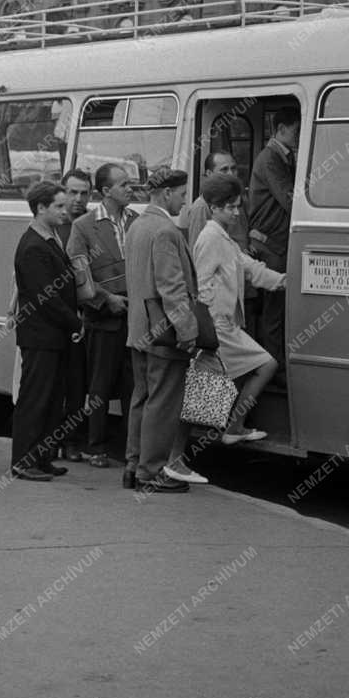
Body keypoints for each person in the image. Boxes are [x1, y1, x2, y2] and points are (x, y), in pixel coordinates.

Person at [124, 166, 205, 493]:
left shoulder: (137, 226)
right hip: (163, 333)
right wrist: (188, 330)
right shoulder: (166, 232)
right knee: (163, 403)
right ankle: (152, 471)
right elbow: (171, 288)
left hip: (139, 329)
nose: (184, 203)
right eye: (182, 195)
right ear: (166, 193)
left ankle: (133, 465)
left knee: (141, 398)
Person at [193, 174, 281, 441]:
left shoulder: (222, 237)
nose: (235, 212)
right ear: (214, 208)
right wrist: (210, 325)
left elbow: (246, 265)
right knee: (266, 365)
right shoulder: (211, 238)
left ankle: (228, 429)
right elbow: (203, 283)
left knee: (213, 387)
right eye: (229, 207)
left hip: (223, 324)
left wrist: (281, 281)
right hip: (219, 325)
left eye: (237, 206)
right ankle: (233, 427)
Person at [66, 162, 136, 469]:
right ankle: (95, 447)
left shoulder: (137, 221)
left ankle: (129, 448)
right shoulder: (84, 226)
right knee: (100, 384)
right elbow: (79, 274)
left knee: (134, 384)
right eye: (124, 185)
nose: (130, 189)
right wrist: (106, 299)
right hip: (103, 317)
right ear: (106, 191)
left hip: (135, 316)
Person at [11, 181, 80, 481]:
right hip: (41, 335)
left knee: (52, 399)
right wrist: (75, 322)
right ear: (41, 208)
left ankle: (42, 457)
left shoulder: (48, 239)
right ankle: (23, 461)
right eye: (59, 206)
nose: (66, 211)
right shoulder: (33, 246)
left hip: (53, 335)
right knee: (35, 398)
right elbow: (45, 296)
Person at [247, 107, 300, 373]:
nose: (238, 210)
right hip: (273, 244)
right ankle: (272, 367)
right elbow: (288, 199)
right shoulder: (271, 159)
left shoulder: (282, 157)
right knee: (274, 311)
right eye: (296, 131)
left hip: (217, 346)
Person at [57, 167, 92, 461]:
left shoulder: (91, 224)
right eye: (73, 192)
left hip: (83, 313)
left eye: (84, 193)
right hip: (57, 314)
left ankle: (71, 440)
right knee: (53, 382)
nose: (78, 199)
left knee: (77, 383)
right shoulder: (54, 224)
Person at [179, 151, 249, 250]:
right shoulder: (202, 206)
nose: (231, 173)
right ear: (209, 173)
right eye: (224, 169)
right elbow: (197, 251)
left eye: (233, 168)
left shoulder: (239, 198)